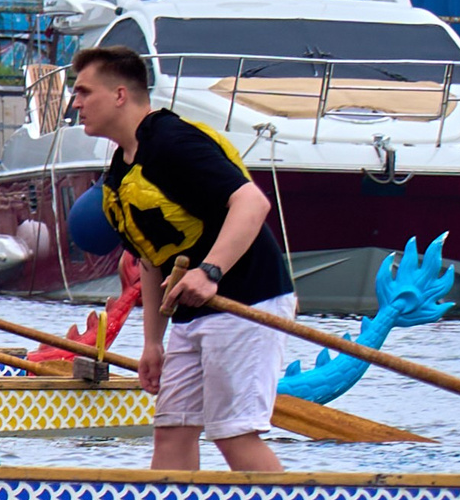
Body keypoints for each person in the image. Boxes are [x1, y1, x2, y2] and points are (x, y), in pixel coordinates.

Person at [68, 42, 293, 472]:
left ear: (119, 95)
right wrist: (153, 341)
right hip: (193, 312)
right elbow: (151, 259)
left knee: (232, 432)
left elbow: (252, 204)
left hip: (246, 300)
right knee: (172, 430)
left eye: (83, 92)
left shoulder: (174, 142)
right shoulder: (121, 166)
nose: (75, 103)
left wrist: (211, 271)